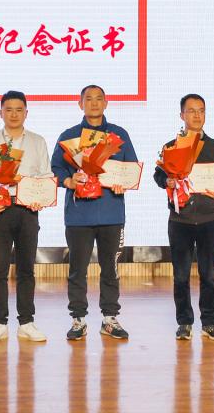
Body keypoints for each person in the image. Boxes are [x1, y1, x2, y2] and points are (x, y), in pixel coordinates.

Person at [51, 85, 138, 341]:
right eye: (88, 99)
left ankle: (110, 318)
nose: (94, 103)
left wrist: (123, 182)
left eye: (99, 98)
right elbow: (56, 168)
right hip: (79, 215)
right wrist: (68, 181)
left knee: (110, 268)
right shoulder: (69, 137)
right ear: (80, 104)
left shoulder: (119, 135)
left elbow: (131, 168)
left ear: (106, 103)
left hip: (112, 213)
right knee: (77, 269)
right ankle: (78, 319)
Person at [0, 91, 51, 343]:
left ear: (26, 113)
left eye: (19, 109)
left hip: (28, 210)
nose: (14, 114)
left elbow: (46, 175)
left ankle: (26, 322)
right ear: (1, 113)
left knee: (27, 269)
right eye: (8, 109)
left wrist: (41, 197)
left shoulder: (37, 141)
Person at [153, 94, 214, 341]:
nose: (197, 115)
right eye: (191, 111)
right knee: (181, 275)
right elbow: (158, 175)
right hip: (180, 220)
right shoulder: (171, 146)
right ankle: (184, 322)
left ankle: (210, 322)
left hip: (209, 220)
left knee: (209, 275)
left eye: (201, 110)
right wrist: (167, 180)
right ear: (181, 115)